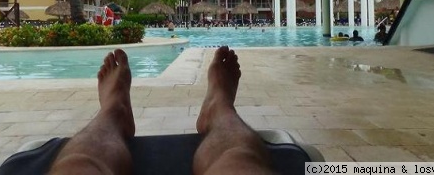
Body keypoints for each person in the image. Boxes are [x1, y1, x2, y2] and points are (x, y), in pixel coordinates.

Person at [49, 46, 275, 175]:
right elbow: (311, 171)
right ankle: (219, 108)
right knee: (238, 158)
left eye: (314, 169)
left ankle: (114, 112)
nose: (313, 169)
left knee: (78, 163)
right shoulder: (312, 168)